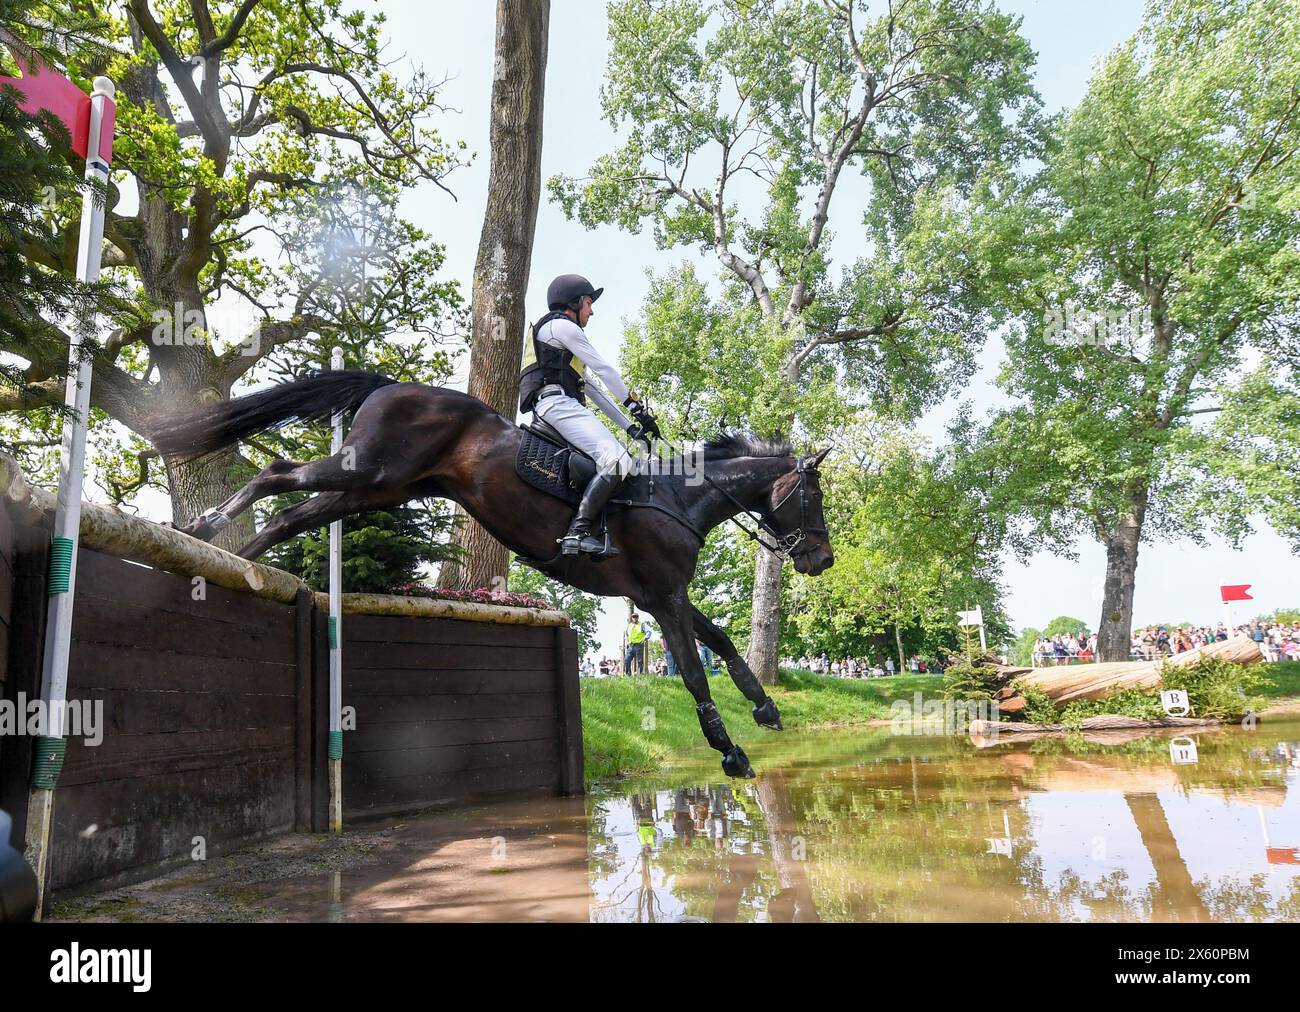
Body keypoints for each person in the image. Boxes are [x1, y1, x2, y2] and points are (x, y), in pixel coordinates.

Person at [518, 274, 661, 556]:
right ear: (574, 302)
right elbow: (605, 370)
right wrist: (637, 407)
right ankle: (577, 532)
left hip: (560, 403)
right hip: (556, 404)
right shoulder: (562, 327)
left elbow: (593, 389)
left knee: (621, 461)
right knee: (618, 461)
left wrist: (630, 427)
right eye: (588, 302)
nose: (591, 310)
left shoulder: (559, 339)